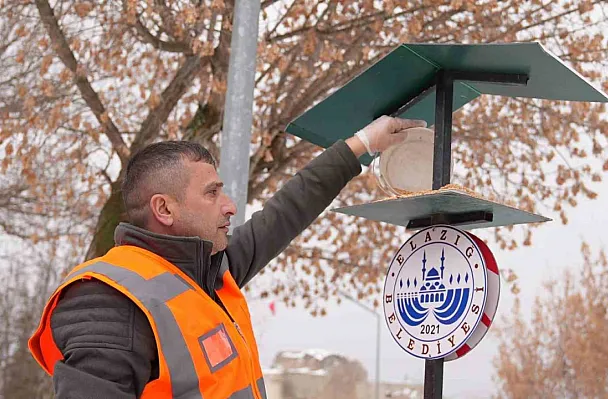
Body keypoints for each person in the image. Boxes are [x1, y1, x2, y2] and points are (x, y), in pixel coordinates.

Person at [28, 116, 426, 399]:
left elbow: (286, 211)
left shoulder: (210, 275)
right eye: (212, 193)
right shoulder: (108, 300)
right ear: (164, 210)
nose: (231, 206)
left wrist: (363, 144)